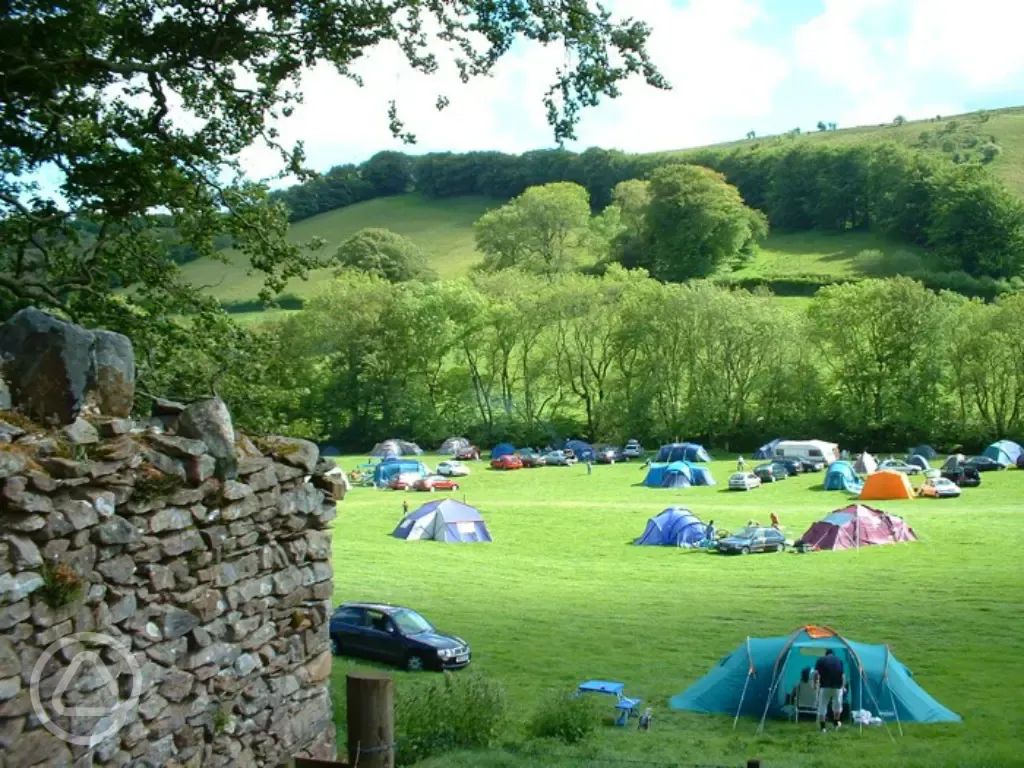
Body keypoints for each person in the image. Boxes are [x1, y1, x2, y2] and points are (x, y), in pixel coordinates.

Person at [814, 649, 846, 731]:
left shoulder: (821, 659)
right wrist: (843, 686)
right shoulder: (839, 660)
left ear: (826, 654)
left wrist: (815, 684)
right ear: (833, 654)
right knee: (837, 706)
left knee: (822, 706)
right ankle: (835, 724)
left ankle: (823, 727)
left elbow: (816, 673)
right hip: (837, 687)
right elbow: (843, 676)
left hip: (825, 687)